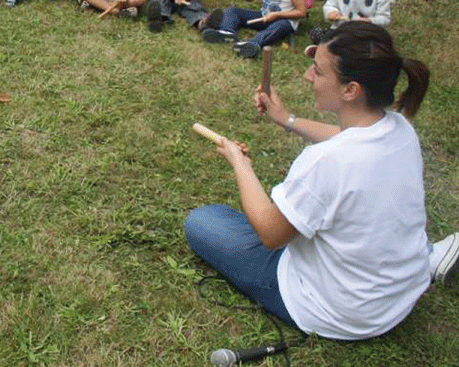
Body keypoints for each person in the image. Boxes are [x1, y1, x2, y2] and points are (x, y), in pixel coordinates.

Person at [185, 21, 459, 340]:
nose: (307, 76)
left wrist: (239, 162)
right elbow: (344, 136)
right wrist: (286, 119)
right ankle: (428, 255)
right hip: (398, 299)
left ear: (350, 89)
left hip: (339, 313)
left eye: (317, 70)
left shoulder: (326, 162)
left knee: (204, 222)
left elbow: (271, 235)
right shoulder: (400, 129)